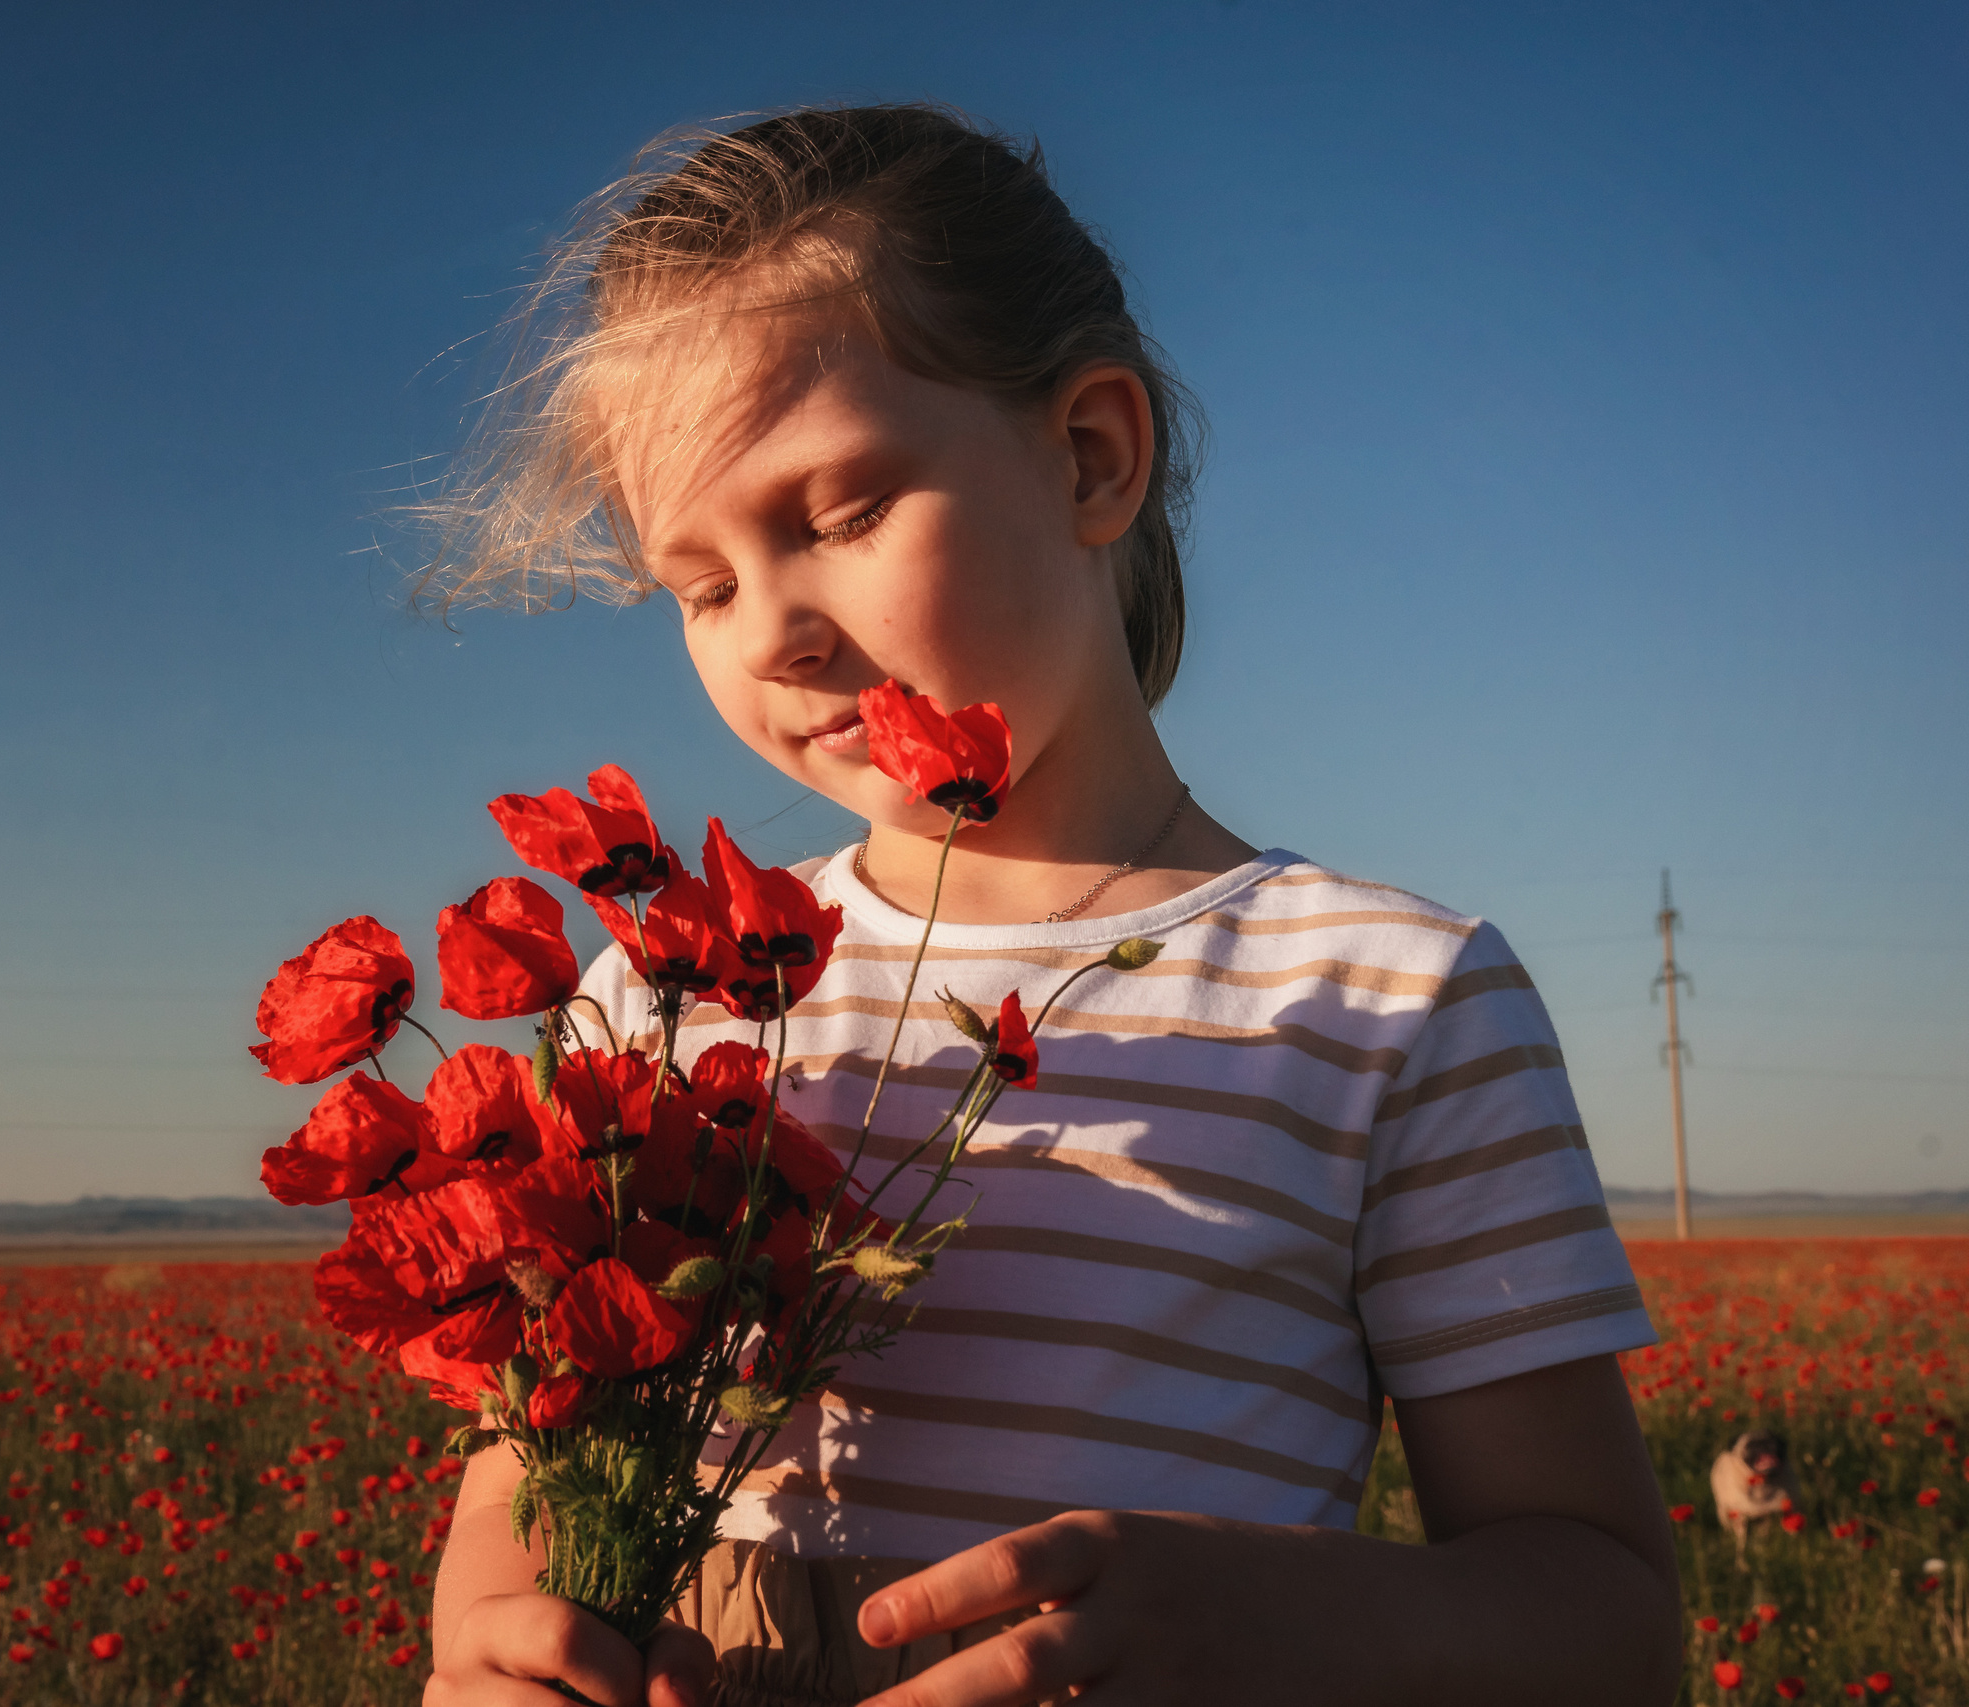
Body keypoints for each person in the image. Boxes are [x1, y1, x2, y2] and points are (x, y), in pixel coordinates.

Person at [417, 103, 1679, 1707]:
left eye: (840, 512)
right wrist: (490, 1650)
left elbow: (1608, 1619)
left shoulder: (1384, 1002)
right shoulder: (656, 997)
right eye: (703, 584)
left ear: (1092, 456)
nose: (774, 633)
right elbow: (519, 1483)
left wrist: (1277, 1623)